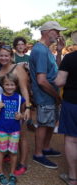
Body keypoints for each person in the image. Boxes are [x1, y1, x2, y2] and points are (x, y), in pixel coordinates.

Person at [29, 21, 66, 169]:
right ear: (47, 31)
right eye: (56, 31)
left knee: (50, 123)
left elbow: (56, 69)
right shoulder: (40, 50)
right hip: (45, 95)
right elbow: (42, 80)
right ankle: (38, 154)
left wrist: (59, 51)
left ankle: (45, 148)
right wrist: (57, 97)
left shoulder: (46, 50)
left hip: (50, 94)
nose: (58, 34)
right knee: (44, 124)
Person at [0, 45, 31, 175]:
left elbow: (24, 89)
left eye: (6, 55)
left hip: (19, 106)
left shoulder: (18, 68)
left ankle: (22, 163)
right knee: (8, 131)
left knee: (21, 135)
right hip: (5, 107)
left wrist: (27, 107)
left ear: (11, 56)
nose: (4, 58)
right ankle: (9, 153)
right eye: (1, 55)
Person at [0, 73, 26, 185]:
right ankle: (0, 173)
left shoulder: (20, 98)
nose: (9, 87)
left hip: (15, 130)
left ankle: (12, 174)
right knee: (1, 151)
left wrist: (21, 116)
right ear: (3, 85)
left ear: (16, 86)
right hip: (2, 129)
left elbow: (22, 113)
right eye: (7, 84)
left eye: (12, 85)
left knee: (13, 152)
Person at [54, 38, 77, 185]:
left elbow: (59, 82)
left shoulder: (71, 57)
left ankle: (73, 177)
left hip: (72, 102)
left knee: (71, 139)